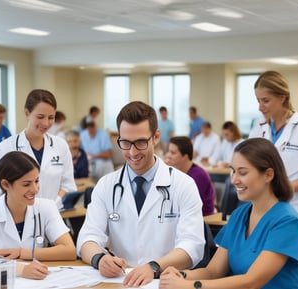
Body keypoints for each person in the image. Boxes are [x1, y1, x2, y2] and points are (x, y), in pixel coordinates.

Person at [77, 101, 204, 287]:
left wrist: (153, 266)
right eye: (125, 143)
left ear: (156, 137)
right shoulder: (106, 185)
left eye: (141, 143)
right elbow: (87, 238)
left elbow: (193, 246)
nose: (132, 152)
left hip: (164, 282)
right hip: (120, 282)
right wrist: (99, 259)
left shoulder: (183, 185)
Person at [159, 138, 298, 289]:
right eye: (233, 171)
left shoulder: (288, 222)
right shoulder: (240, 215)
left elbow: (251, 282)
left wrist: (189, 286)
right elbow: (213, 272)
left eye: (242, 173)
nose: (234, 180)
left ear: (268, 175)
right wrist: (181, 275)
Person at [0, 151, 76, 279]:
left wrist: (22, 253)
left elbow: (69, 250)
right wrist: (19, 269)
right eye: (26, 184)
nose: (35, 189)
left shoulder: (47, 207)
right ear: (5, 184)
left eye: (36, 181)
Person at [249, 70, 298, 228]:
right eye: (258, 100)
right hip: (261, 212)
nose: (260, 107)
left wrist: (284, 186)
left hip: (294, 211)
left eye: (265, 101)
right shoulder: (258, 129)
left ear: (282, 97)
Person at [0, 89, 77, 206]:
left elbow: (68, 186)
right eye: (40, 117)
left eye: (51, 117)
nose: (45, 123)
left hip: (52, 215)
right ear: (27, 113)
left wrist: (51, 206)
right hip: (16, 219)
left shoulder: (61, 146)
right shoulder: (5, 148)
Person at [165, 136, 215, 216]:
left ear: (185, 157)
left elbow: (184, 205)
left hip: (203, 221)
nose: (168, 155)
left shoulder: (198, 176)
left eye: (173, 153)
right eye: (168, 151)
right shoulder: (176, 172)